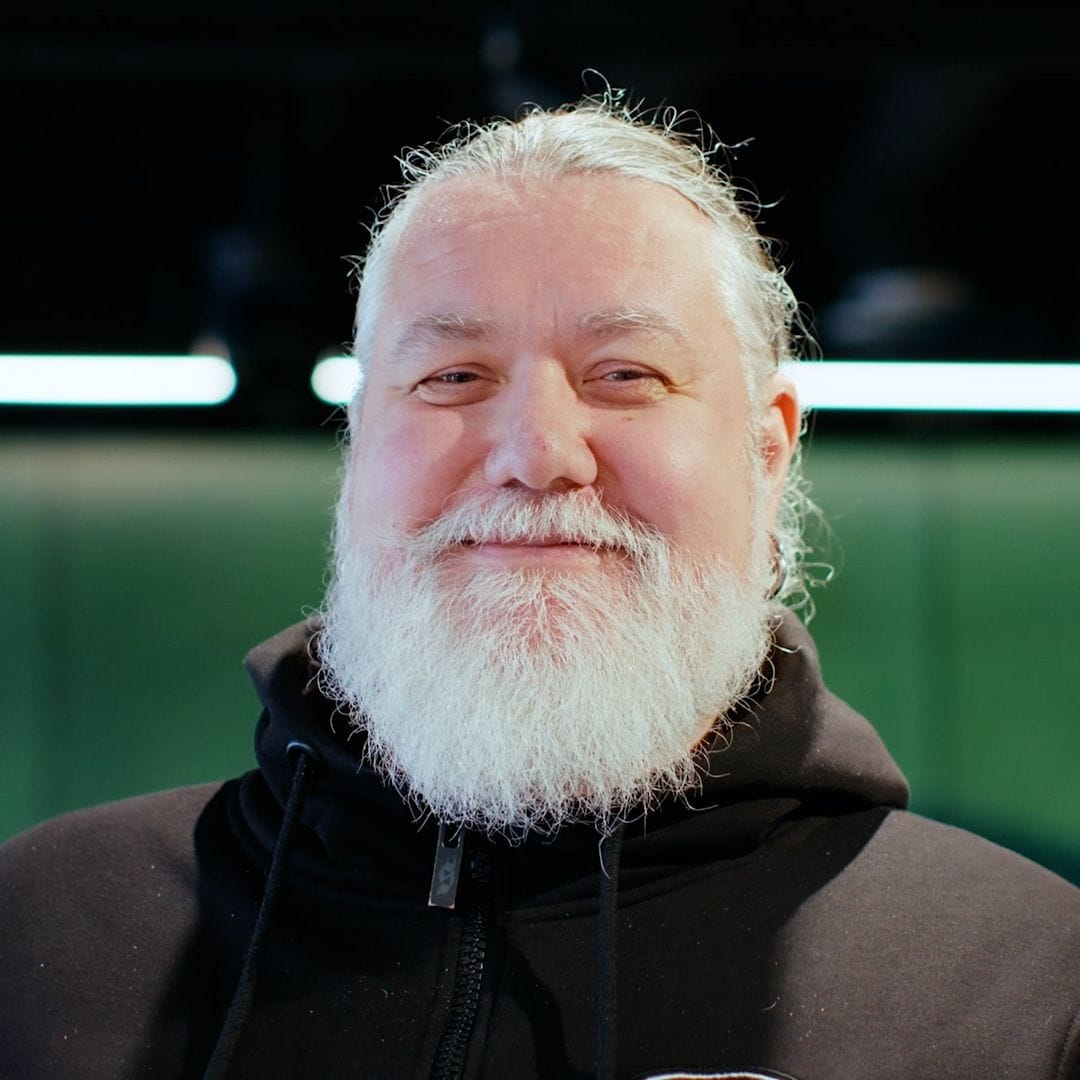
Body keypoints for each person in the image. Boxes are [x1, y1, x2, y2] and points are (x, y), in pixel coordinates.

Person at [2, 92, 1078, 1080]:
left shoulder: (1025, 985)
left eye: (626, 375)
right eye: (453, 377)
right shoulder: (45, 932)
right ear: (358, 444)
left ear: (768, 453)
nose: (536, 452)